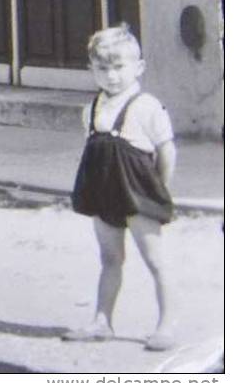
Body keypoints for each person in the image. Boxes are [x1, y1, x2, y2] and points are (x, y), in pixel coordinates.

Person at [63, 24, 177, 351]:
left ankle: (166, 325)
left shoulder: (147, 106)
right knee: (110, 258)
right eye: (102, 69)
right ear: (91, 70)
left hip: (139, 193)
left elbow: (166, 151)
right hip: (103, 192)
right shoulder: (93, 107)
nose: (111, 76)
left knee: (156, 261)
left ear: (138, 67)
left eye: (119, 68)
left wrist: (159, 189)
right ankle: (102, 321)